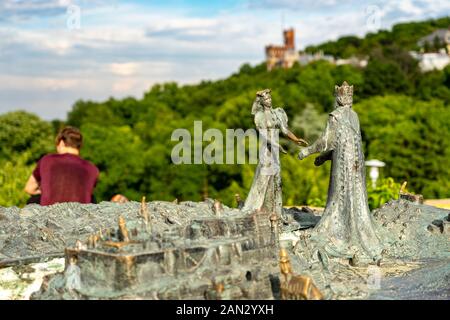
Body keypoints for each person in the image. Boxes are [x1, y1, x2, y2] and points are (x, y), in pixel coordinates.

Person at [298, 81, 382, 264]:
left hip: (344, 166)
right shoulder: (354, 116)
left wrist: (307, 151)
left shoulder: (335, 116)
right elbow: (344, 143)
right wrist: (325, 157)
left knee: (341, 196)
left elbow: (326, 142)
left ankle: (341, 234)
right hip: (356, 164)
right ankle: (356, 232)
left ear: (338, 98)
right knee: (355, 198)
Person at [242, 89, 307, 218]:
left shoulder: (277, 113)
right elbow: (263, 134)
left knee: (276, 177)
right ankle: (259, 207)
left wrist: (296, 139)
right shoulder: (259, 116)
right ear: (262, 102)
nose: (269, 101)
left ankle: (275, 208)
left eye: (270, 98)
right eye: (266, 99)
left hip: (275, 148)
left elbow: (284, 130)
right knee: (265, 175)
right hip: (267, 147)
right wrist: (276, 145)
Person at [24, 126, 99, 206]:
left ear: (61, 143)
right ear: (79, 146)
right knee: (93, 198)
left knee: (33, 200)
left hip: (50, 213)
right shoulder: (92, 169)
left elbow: (29, 188)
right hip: (79, 215)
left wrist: (46, 191)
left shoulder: (47, 160)